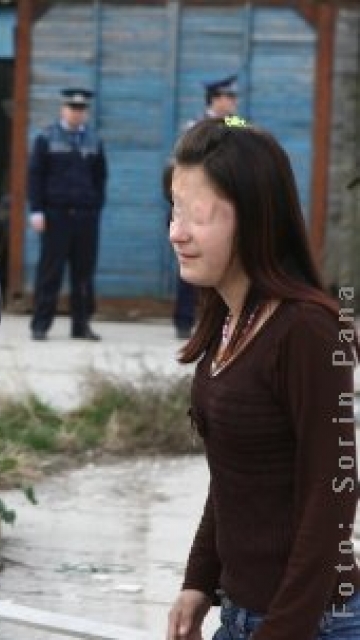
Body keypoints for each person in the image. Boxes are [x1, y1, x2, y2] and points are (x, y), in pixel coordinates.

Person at [165, 117, 360, 640]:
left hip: (311, 621)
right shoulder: (227, 319)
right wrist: (198, 581)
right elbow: (233, 473)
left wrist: (283, 630)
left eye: (197, 215)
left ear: (254, 219)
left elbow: (334, 492)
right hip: (243, 614)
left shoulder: (308, 332)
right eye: (174, 209)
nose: (176, 232)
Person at [27, 87, 108, 341]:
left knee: (83, 273)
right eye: (73, 108)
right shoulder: (47, 138)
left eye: (81, 109)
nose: (77, 113)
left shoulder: (94, 140)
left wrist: (95, 207)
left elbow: (100, 177)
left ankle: (81, 325)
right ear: (63, 109)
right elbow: (35, 176)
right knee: (50, 272)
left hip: (85, 216)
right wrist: (36, 210)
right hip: (55, 215)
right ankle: (40, 324)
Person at [172, 74, 240, 340]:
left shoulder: (236, 124)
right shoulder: (195, 126)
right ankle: (183, 319)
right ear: (216, 99)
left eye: (234, 98)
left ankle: (224, 321)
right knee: (191, 259)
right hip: (195, 205)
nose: (233, 103)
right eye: (229, 97)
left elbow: (254, 142)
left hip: (224, 205)